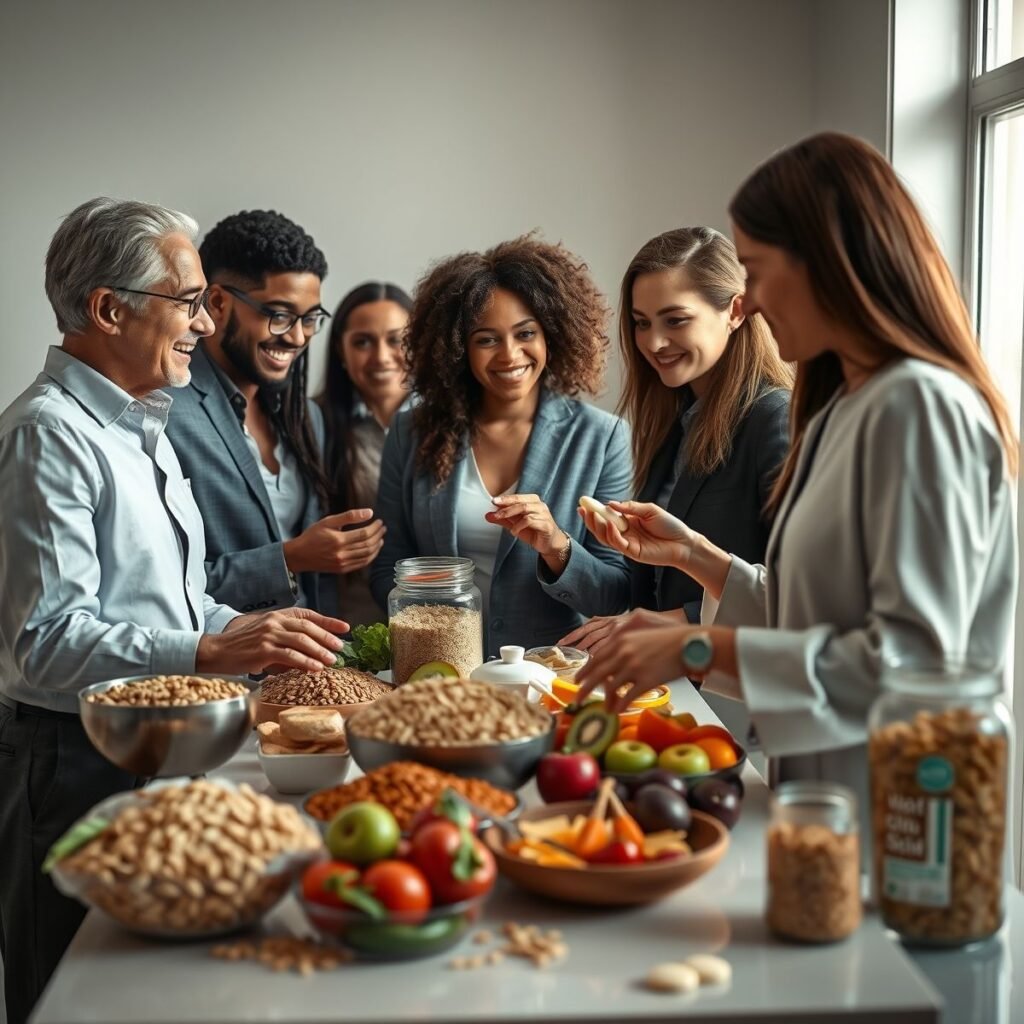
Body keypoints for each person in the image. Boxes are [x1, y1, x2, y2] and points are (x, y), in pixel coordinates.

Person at [575, 133, 1018, 840]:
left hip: (907, 819)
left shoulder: (919, 407)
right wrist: (697, 556)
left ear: (826, 263)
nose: (748, 299)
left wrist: (698, 648)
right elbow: (819, 615)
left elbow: (916, 663)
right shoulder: (844, 407)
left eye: (755, 271)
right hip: (821, 801)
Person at [0, 198, 348, 1024]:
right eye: (188, 301)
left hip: (156, 749)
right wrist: (210, 652)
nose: (205, 321)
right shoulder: (48, 434)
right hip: (73, 763)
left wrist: (244, 631)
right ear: (108, 309)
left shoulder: (142, 422)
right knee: (73, 998)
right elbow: (45, 643)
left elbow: (177, 600)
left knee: (153, 1000)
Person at [370, 235, 632, 655]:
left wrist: (557, 546)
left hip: (550, 675)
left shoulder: (602, 438)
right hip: (443, 671)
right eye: (486, 339)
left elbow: (613, 594)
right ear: (458, 349)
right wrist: (438, 622)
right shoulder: (411, 431)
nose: (510, 355)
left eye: (525, 333)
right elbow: (387, 566)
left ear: (552, 335)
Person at [561, 227, 792, 655]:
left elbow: (800, 593)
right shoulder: (674, 422)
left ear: (736, 311)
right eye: (641, 323)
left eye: (676, 320)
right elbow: (645, 587)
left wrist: (671, 622)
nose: (653, 342)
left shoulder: (776, 420)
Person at [165, 210, 386, 619]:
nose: (298, 337)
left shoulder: (307, 418)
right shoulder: (166, 413)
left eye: (310, 318)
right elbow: (160, 584)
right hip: (223, 655)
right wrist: (289, 558)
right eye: (279, 315)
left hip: (315, 653)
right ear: (217, 303)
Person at [317, 282, 414, 625]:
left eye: (396, 340)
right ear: (341, 350)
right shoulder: (313, 426)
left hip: (441, 622)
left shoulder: (452, 425)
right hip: (352, 628)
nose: (381, 357)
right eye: (362, 342)